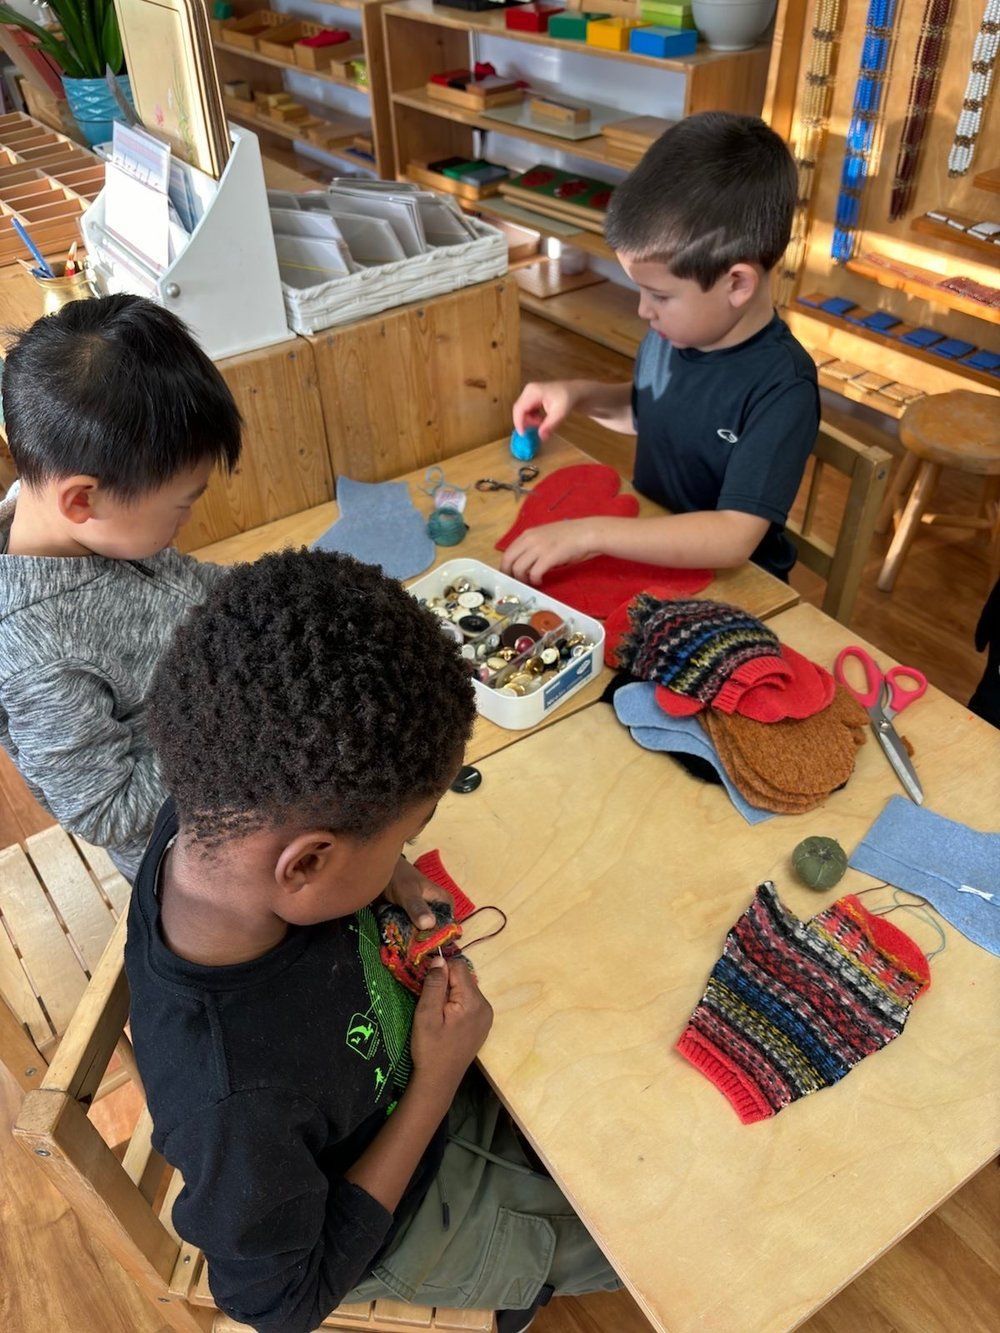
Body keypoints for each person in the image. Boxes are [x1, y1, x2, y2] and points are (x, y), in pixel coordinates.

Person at [126, 549, 619, 1333]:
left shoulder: (212, 814)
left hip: (415, 1077)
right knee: (628, 1228)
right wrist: (433, 1083)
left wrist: (387, 874)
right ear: (310, 860)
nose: (411, 860)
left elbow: (308, 847)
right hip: (390, 1213)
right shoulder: (233, 1108)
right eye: (404, 841)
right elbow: (280, 1303)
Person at [501, 112, 820, 585]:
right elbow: (647, 412)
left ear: (736, 283)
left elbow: (733, 537)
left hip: (733, 587)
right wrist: (579, 395)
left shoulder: (782, 387)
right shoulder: (679, 330)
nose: (644, 312)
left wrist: (591, 534)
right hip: (650, 549)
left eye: (660, 295)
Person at [0, 294, 242, 880]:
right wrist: (230, 715)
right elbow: (108, 813)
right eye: (181, 507)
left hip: (225, 734)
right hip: (194, 855)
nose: (183, 524)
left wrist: (274, 593)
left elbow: (185, 587)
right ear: (83, 498)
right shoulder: (39, 653)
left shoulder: (93, 533)